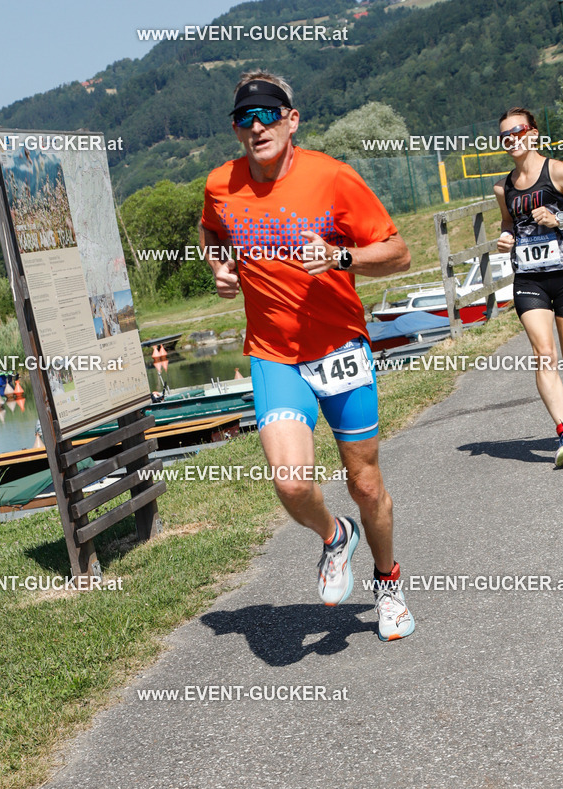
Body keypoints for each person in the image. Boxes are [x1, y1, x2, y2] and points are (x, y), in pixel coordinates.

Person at [199, 70, 415, 641]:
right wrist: (220, 267)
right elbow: (211, 233)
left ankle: (388, 582)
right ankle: (333, 536)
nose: (256, 125)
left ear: (292, 120)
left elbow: (398, 253)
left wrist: (341, 257)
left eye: (268, 113)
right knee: (292, 483)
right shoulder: (221, 184)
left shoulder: (333, 179)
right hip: (274, 354)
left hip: (340, 347)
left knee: (365, 483)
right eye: (244, 117)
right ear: (236, 130)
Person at [494, 106, 563, 468]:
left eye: (517, 131)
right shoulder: (503, 187)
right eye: (505, 135)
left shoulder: (558, 171)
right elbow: (508, 223)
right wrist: (505, 237)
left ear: (533, 133)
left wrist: (558, 218)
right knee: (545, 354)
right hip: (530, 279)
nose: (511, 139)